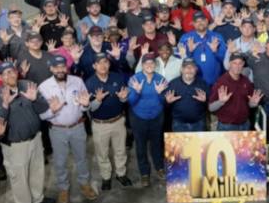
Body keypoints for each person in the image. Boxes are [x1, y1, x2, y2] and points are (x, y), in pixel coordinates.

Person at [0, 62, 54, 203]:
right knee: (19, 178)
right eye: (5, 73)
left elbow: (43, 107)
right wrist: (5, 105)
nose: (10, 75)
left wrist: (34, 99)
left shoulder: (28, 85)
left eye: (12, 71)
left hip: (35, 138)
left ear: (17, 73)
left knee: (37, 170)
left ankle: (38, 198)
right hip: (15, 144)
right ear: (0, 77)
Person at [39, 55, 98, 203]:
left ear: (67, 67)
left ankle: (84, 183)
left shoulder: (77, 81)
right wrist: (53, 111)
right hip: (58, 130)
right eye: (56, 67)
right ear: (51, 68)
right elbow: (41, 115)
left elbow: (85, 105)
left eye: (62, 66)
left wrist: (86, 105)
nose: (60, 69)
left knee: (82, 158)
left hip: (78, 127)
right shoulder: (44, 87)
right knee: (60, 162)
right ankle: (63, 189)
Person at [85, 53, 131, 191]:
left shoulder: (117, 78)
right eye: (99, 63)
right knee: (102, 153)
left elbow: (124, 100)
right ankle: (106, 177)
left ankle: (121, 174)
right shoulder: (89, 83)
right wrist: (97, 100)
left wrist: (124, 98)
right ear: (94, 66)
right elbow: (89, 108)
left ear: (109, 64)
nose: (103, 65)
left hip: (118, 121)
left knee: (120, 150)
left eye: (105, 62)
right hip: (100, 125)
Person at [127, 53, 170, 186]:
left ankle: (159, 167)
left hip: (156, 116)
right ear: (142, 65)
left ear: (155, 65)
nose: (149, 66)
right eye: (146, 63)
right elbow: (131, 102)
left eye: (152, 63)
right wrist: (138, 91)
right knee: (141, 145)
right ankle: (144, 173)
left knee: (156, 142)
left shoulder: (161, 79)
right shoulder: (135, 79)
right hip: (139, 117)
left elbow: (164, 102)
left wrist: (159, 94)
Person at [210, 52, 263, 130]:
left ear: (243, 64)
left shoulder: (246, 81)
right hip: (226, 127)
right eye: (234, 63)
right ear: (229, 64)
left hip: (244, 125)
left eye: (240, 63)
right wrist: (220, 102)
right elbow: (211, 107)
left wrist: (253, 103)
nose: (237, 67)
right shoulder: (221, 82)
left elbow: (249, 103)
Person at [178, 11, 227, 84]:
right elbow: (179, 61)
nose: (200, 23)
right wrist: (190, 52)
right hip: (192, 82)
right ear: (193, 24)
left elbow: (223, 59)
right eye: (197, 21)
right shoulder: (185, 38)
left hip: (214, 81)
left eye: (202, 20)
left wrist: (215, 52)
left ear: (207, 21)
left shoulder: (217, 37)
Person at [166, 58, 211, 132]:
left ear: (196, 69)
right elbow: (165, 106)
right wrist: (168, 102)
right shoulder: (173, 84)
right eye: (186, 67)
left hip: (198, 124)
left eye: (192, 67)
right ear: (181, 69)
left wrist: (205, 101)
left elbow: (210, 105)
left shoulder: (203, 84)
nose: (189, 70)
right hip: (179, 125)